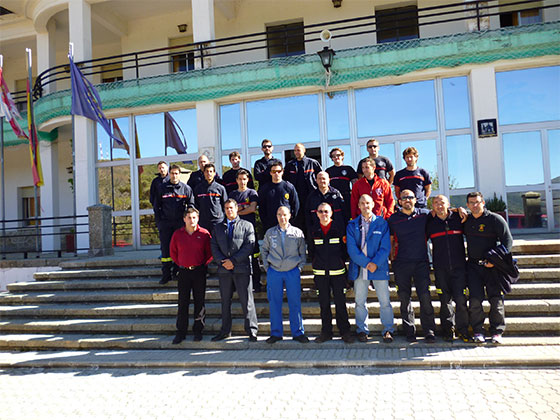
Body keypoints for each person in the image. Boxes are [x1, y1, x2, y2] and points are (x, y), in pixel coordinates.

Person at [387, 189, 436, 343]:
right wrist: (392, 259)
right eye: (404, 198)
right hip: (401, 263)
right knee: (404, 299)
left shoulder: (425, 215)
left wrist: (459, 209)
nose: (407, 200)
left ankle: (429, 331)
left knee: (425, 297)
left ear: (416, 200)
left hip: (421, 263)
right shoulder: (393, 219)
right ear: (399, 201)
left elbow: (442, 211)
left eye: (410, 197)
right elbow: (391, 240)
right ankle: (409, 332)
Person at [464, 191, 513, 344]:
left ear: (483, 203)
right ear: (467, 205)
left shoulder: (495, 219)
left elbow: (508, 242)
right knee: (475, 301)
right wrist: (457, 210)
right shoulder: (466, 220)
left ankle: (497, 332)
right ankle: (478, 331)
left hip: (492, 267)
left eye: (477, 202)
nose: (475, 205)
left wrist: (496, 260)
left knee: (496, 300)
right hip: (473, 266)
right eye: (471, 203)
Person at [347, 194, 394, 343]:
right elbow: (352, 249)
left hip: (378, 267)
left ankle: (388, 329)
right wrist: (367, 263)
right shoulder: (352, 225)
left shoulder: (382, 223)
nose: (365, 206)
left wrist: (375, 263)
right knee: (360, 302)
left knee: (385, 301)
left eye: (368, 203)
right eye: (362, 203)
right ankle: (362, 330)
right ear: (358, 206)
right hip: (360, 267)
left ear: (373, 204)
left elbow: (385, 247)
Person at [210, 199, 258, 342]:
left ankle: (252, 330)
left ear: (237, 209)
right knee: (225, 302)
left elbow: (249, 245)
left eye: (231, 208)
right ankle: (225, 331)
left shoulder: (247, 225)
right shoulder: (218, 228)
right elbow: (214, 247)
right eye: (226, 208)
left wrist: (234, 261)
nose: (229, 210)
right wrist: (223, 262)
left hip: (242, 269)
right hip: (224, 270)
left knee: (247, 301)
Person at [426, 194, 470, 342]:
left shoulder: (459, 218)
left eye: (442, 202)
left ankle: (463, 330)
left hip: (459, 267)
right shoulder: (429, 222)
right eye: (436, 203)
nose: (439, 205)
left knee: (461, 300)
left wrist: (459, 209)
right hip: (440, 268)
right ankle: (448, 330)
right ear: (432, 206)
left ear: (448, 204)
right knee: (444, 301)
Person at [261, 206, 308, 344]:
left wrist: (299, 268)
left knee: (295, 302)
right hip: (274, 272)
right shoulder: (270, 233)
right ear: (276, 216)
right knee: (274, 303)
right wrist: (267, 267)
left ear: (290, 215)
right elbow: (264, 250)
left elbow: (302, 253)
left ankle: (298, 332)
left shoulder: (297, 233)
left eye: (285, 214)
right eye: (279, 215)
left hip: (292, 271)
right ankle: (276, 333)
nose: (282, 217)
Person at [309, 202, 354, 344]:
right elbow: (311, 251)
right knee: (324, 304)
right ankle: (326, 332)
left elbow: (345, 250)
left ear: (331, 213)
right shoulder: (313, 230)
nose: (324, 214)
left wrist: (338, 261)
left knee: (340, 303)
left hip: (338, 272)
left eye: (326, 211)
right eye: (321, 211)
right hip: (320, 273)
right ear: (317, 214)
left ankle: (345, 332)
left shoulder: (339, 228)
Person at [169, 207, 212, 343]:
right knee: (183, 302)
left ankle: (198, 330)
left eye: (194, 217)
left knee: (199, 302)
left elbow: (210, 253)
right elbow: (173, 252)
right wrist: (182, 263)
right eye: (189, 217)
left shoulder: (204, 234)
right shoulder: (178, 234)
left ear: (198, 219)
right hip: (184, 272)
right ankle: (181, 332)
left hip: (199, 271)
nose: (191, 220)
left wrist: (202, 265)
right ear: (184, 219)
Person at [153, 164, 195, 284]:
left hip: (180, 224)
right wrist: (159, 222)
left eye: (176, 173)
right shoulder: (162, 188)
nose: (174, 176)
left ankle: (177, 272)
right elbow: (156, 206)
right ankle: (166, 275)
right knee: (166, 249)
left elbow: (191, 205)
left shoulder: (186, 189)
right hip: (165, 223)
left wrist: (188, 221)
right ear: (169, 174)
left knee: (179, 249)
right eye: (172, 173)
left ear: (179, 174)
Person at [229, 169, 262, 292]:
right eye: (240, 179)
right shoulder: (232, 194)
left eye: (244, 179)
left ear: (248, 180)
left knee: (254, 257)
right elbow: (230, 211)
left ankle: (256, 284)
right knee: (236, 257)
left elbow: (252, 208)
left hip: (250, 230)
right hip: (236, 231)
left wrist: (238, 210)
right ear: (236, 180)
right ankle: (235, 285)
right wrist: (244, 207)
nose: (242, 181)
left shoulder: (252, 193)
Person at [284, 143, 322, 230]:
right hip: (296, 197)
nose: (296, 152)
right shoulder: (290, 165)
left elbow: (321, 177)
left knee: (312, 219)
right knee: (297, 220)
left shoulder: (312, 163)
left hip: (311, 195)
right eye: (295, 150)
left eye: (298, 150)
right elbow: (285, 181)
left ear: (304, 151)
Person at [258, 161, 299, 232]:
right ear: (270, 173)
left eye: (279, 171)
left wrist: (290, 219)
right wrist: (266, 223)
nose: (276, 173)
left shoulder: (289, 187)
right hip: (270, 226)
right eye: (274, 171)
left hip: (287, 225)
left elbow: (295, 205)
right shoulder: (265, 189)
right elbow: (262, 208)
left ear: (282, 172)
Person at [194, 163, 228, 232]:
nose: (209, 173)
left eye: (211, 171)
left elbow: (225, 204)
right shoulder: (198, 188)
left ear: (214, 173)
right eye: (207, 171)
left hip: (217, 221)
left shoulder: (220, 188)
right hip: (203, 222)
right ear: (204, 173)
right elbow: (196, 205)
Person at [326, 147, 358, 220]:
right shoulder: (328, 171)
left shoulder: (348, 169)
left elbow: (355, 183)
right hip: (334, 198)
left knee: (348, 217)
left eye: (338, 155)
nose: (336, 157)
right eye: (333, 156)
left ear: (342, 156)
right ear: (332, 158)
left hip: (346, 197)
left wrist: (354, 196)